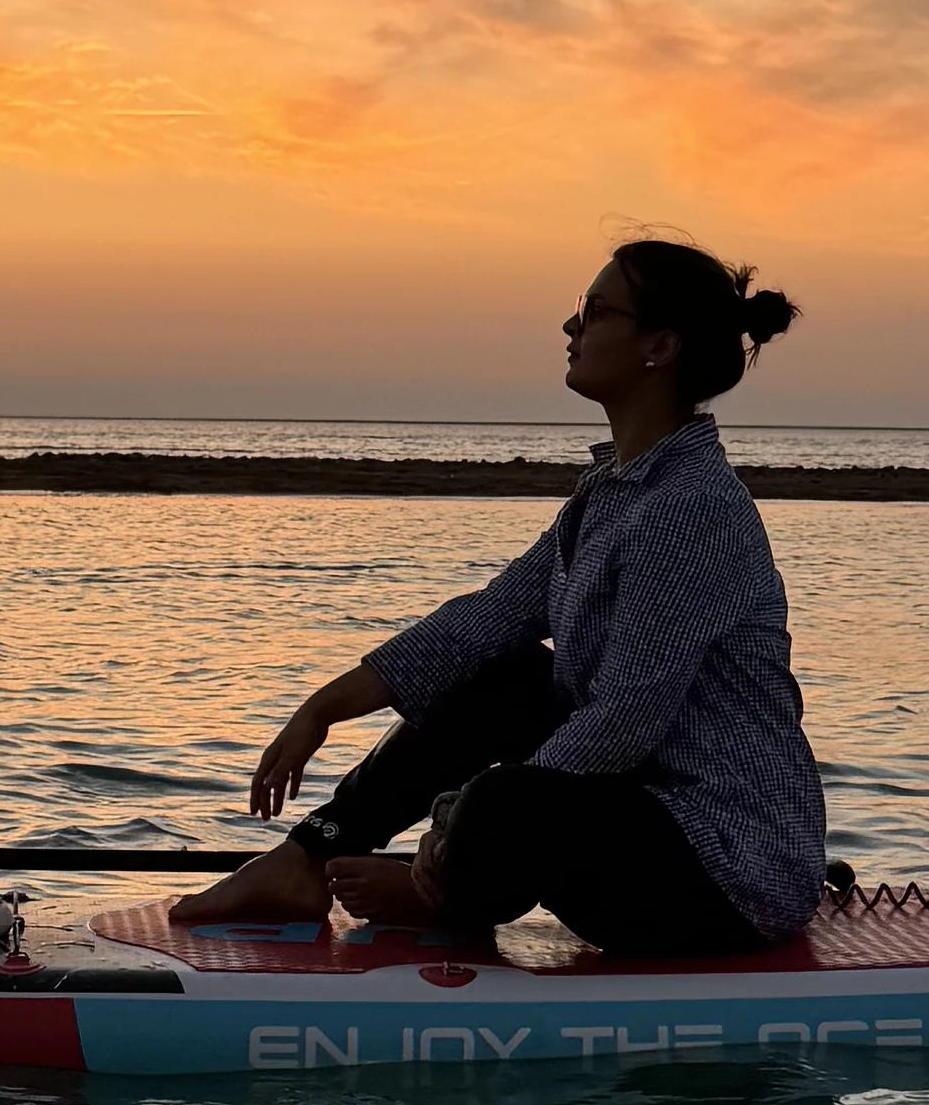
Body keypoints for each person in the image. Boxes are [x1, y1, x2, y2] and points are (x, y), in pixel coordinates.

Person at [174, 243, 828, 958]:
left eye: (595, 312)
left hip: (726, 873)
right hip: (630, 816)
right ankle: (304, 859)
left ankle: (445, 894)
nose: (570, 327)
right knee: (499, 677)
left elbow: (623, 719)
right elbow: (481, 625)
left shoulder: (689, 510)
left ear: (660, 347)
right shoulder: (612, 495)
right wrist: (320, 709)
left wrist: (457, 825)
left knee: (509, 796)